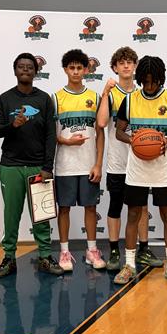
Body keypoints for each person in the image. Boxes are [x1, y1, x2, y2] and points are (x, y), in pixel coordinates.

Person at [114, 55, 167, 286]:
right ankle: (129, 265)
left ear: (160, 79)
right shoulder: (130, 100)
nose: (148, 86)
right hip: (136, 170)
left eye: (153, 81)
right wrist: (133, 140)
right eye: (145, 81)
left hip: (163, 170)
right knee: (133, 215)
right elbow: (119, 131)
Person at [0, 52, 64, 276]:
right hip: (11, 166)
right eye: (21, 66)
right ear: (15, 71)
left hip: (37, 166)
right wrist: (12, 125)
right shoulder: (5, 98)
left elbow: (50, 136)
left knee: (42, 216)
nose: (25, 70)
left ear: (35, 71)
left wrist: (47, 167)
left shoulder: (44, 99)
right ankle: (9, 258)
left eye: (29, 67)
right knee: (11, 215)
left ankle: (45, 256)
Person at [96, 46, 162, 271]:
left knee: (141, 207)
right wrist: (105, 93)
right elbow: (102, 123)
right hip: (117, 161)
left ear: (135, 66)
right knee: (115, 206)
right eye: (121, 63)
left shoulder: (143, 93)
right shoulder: (111, 93)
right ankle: (114, 251)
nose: (125, 66)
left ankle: (143, 250)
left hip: (140, 162)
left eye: (129, 62)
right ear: (114, 68)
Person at [53, 49, 106, 272]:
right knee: (64, 208)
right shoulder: (56, 98)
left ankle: (91, 250)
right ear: (65, 70)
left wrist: (98, 164)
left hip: (88, 165)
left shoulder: (95, 97)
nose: (75, 71)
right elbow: (52, 135)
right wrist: (67, 141)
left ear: (86, 70)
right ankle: (64, 252)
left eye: (79, 68)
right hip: (64, 165)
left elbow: (100, 133)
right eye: (71, 68)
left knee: (90, 207)